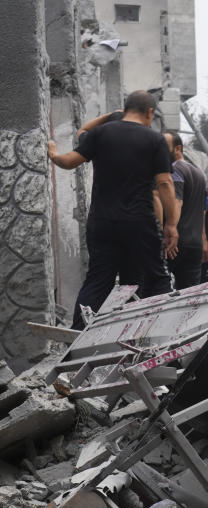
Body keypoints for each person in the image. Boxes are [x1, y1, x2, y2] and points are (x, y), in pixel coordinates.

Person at [47, 90, 177, 329]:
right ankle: (164, 334)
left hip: (103, 222)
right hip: (140, 223)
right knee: (156, 279)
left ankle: (76, 337)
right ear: (149, 113)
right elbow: (165, 184)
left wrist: (53, 152)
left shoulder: (100, 133)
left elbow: (68, 161)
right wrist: (171, 225)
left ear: (126, 110)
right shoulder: (155, 140)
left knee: (98, 281)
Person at [163, 131, 208, 289]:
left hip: (174, 243)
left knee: (159, 291)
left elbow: (177, 202)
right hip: (194, 244)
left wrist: (171, 228)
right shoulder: (199, 174)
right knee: (190, 293)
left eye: (164, 146)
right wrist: (203, 240)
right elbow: (203, 211)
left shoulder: (174, 170)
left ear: (178, 149)